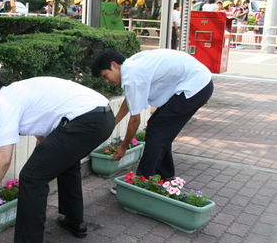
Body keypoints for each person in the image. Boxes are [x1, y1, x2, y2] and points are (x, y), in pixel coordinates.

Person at [0, 72, 115, 243]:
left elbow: (3, 159)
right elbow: (46, 131)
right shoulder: (20, 92)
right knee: (66, 163)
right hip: (103, 117)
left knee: (31, 177)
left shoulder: (6, 103)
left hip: (85, 120)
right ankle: (74, 221)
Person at [90, 48, 213, 181]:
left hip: (196, 85)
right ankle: (165, 177)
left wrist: (123, 146)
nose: (107, 81)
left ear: (114, 65)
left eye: (105, 76)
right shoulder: (131, 66)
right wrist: (114, 122)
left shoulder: (133, 77)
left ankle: (142, 181)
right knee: (159, 130)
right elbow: (131, 99)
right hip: (197, 81)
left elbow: (135, 121)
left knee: (157, 130)